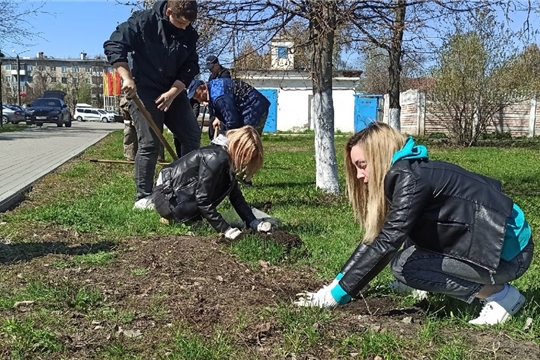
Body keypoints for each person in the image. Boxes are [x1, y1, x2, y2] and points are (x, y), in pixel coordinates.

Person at [295, 122, 534, 326]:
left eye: (362, 165)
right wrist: (339, 283)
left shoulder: (408, 179)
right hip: (502, 245)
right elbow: (376, 238)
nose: (359, 175)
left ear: (379, 158)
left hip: (508, 256)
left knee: (404, 267)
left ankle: (500, 295)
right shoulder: (413, 170)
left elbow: (388, 243)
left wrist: (336, 296)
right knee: (408, 256)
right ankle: (424, 284)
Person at [103, 0, 201, 210]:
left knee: (191, 136)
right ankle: (143, 196)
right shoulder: (143, 21)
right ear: (168, 12)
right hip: (144, 89)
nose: (185, 28)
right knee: (150, 142)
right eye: (181, 23)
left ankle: (185, 188)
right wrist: (127, 78)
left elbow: (191, 66)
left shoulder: (189, 33)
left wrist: (173, 92)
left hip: (173, 90)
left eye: (188, 24)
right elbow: (114, 45)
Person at [152, 126, 272, 239]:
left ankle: (182, 218)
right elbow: (202, 199)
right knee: (221, 184)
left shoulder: (225, 157)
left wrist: (253, 222)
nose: (246, 162)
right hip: (167, 200)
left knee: (227, 183)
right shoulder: (216, 158)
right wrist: (226, 230)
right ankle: (175, 216)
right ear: (239, 149)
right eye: (247, 157)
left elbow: (236, 197)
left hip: (173, 197)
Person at [187, 78, 270, 136]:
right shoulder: (212, 87)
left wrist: (225, 137)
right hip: (248, 106)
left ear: (204, 87)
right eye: (196, 99)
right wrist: (218, 118)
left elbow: (232, 122)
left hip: (254, 107)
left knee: (245, 140)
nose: (199, 100)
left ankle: (248, 160)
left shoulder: (219, 98)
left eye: (198, 96)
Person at [204, 55, 231, 140]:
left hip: (222, 108)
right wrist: (206, 100)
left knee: (221, 132)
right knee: (212, 132)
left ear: (217, 64)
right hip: (213, 108)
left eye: (212, 67)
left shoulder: (225, 74)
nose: (210, 70)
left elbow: (221, 91)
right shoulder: (211, 77)